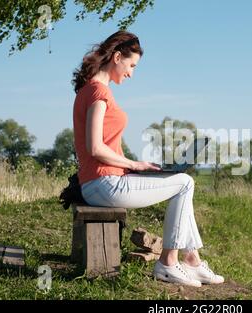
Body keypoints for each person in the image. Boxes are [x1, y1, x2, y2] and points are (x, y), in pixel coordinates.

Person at [71, 31, 224, 287]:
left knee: (181, 182)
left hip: (100, 182)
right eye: (131, 66)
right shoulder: (99, 93)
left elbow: (101, 149)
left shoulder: (88, 90)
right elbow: (95, 147)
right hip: (104, 184)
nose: (131, 73)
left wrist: (134, 168)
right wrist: (134, 164)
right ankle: (168, 262)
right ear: (117, 57)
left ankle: (192, 260)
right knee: (185, 183)